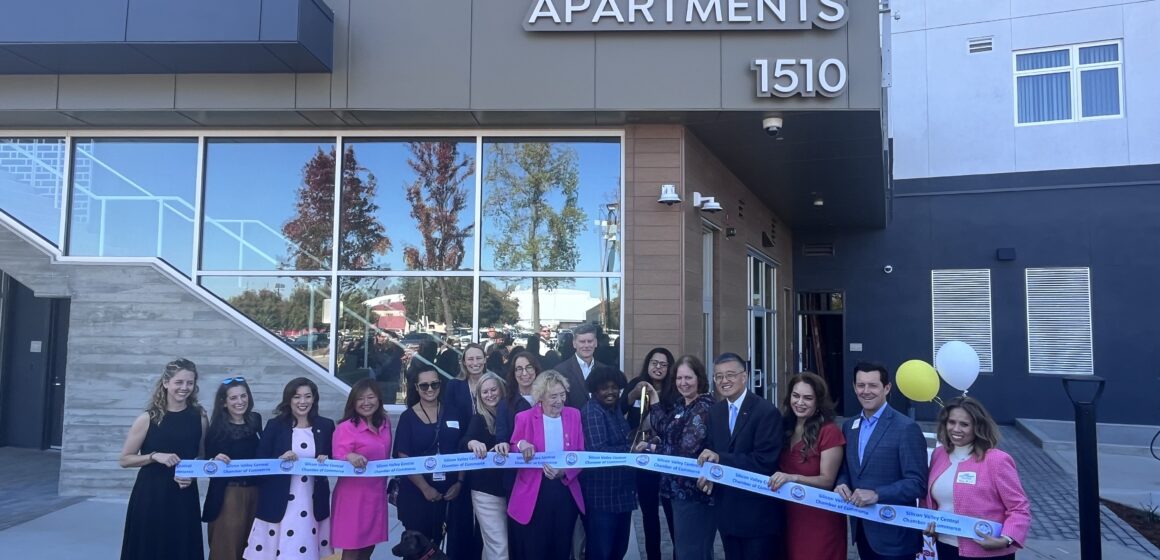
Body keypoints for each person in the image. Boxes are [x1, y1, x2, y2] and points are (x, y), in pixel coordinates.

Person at [833, 362, 928, 560]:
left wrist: (877, 494)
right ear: (854, 387)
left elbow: (917, 484)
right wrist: (842, 482)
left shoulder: (906, 428)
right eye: (861, 385)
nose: (866, 391)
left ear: (887, 388)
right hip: (863, 532)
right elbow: (848, 469)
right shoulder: (850, 426)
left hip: (895, 537)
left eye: (873, 385)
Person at [696, 353, 784, 560]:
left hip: (757, 516)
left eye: (730, 375)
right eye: (718, 377)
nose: (724, 381)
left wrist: (720, 459)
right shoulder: (715, 413)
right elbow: (711, 450)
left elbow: (764, 462)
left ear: (744, 377)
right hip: (727, 513)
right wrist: (708, 475)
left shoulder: (766, 412)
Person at [119, 358, 207, 560]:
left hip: (184, 495)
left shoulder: (200, 417)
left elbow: (202, 455)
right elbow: (124, 460)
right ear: (166, 383)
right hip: (151, 497)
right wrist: (154, 456)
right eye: (179, 382)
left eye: (189, 383)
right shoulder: (147, 418)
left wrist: (192, 475)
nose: (184, 388)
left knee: (181, 549)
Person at [923, 397, 1031, 560]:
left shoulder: (996, 460)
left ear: (977, 427)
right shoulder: (939, 454)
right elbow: (931, 499)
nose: (956, 429)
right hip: (945, 547)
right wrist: (927, 522)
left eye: (964, 424)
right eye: (951, 422)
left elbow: (1019, 507)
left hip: (987, 551)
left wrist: (1006, 539)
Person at [245, 377, 336, 560]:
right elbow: (260, 460)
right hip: (279, 502)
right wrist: (279, 460)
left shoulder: (326, 426)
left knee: (305, 550)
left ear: (314, 399)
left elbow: (334, 459)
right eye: (297, 397)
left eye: (307, 396)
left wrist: (327, 460)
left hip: (312, 502)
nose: (302, 402)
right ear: (289, 399)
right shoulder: (275, 425)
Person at [766, 372, 846, 560]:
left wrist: (792, 477)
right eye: (796, 396)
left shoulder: (829, 432)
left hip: (818, 519)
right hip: (786, 515)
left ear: (818, 401)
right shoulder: (783, 426)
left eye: (807, 398)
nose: (800, 402)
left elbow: (827, 480)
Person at [508, 370, 586, 560]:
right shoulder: (524, 417)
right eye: (553, 396)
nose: (559, 400)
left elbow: (580, 453)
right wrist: (521, 445)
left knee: (561, 546)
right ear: (541, 397)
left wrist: (565, 472)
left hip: (564, 489)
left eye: (562, 395)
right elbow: (513, 446)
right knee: (537, 548)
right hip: (536, 492)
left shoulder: (574, 415)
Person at [642, 355, 715, 560]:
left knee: (692, 552)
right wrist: (655, 402)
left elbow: (685, 450)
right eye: (679, 378)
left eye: (688, 378)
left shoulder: (703, 407)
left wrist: (650, 451)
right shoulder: (683, 405)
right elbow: (666, 429)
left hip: (693, 494)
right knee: (684, 550)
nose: (683, 383)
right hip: (676, 492)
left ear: (699, 378)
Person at [393, 366, 467, 549]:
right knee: (416, 550)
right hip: (417, 495)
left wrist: (459, 482)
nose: (430, 389)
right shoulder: (407, 418)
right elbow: (403, 456)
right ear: (416, 388)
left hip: (449, 493)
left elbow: (463, 450)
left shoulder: (454, 412)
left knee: (438, 548)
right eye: (424, 386)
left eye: (434, 384)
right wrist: (425, 488)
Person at [621, 347, 676, 560]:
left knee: (672, 514)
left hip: (667, 460)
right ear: (648, 364)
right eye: (654, 363)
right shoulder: (637, 383)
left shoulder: (675, 390)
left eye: (663, 364)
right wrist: (634, 394)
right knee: (649, 514)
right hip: (643, 461)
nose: (658, 368)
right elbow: (620, 409)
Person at [331, 379, 393, 560]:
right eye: (360, 399)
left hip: (376, 494)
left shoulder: (385, 423)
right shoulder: (346, 427)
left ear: (379, 399)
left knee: (368, 547)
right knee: (352, 548)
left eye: (371, 397)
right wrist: (350, 456)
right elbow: (337, 455)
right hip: (353, 497)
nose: (366, 403)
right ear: (353, 402)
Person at [202, 375, 263, 560]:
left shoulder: (255, 420)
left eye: (243, 396)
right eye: (233, 397)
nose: (240, 401)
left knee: (253, 548)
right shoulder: (215, 428)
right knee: (226, 550)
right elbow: (204, 460)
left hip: (256, 492)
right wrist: (213, 459)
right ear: (224, 402)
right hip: (228, 494)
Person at [581, 365, 637, 560]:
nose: (611, 392)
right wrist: (633, 451)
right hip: (603, 498)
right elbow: (599, 451)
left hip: (622, 494)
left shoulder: (615, 410)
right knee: (600, 553)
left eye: (614, 387)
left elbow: (625, 440)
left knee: (617, 551)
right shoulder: (593, 411)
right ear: (595, 390)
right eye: (604, 388)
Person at [462, 372, 512, 560]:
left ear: (501, 390)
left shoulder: (510, 414)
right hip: (486, 493)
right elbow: (464, 440)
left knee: (493, 544)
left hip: (510, 489)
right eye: (485, 392)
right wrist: (472, 443)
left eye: (493, 390)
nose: (490, 395)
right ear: (479, 396)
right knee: (499, 546)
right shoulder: (479, 419)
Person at [556, 323, 604, 410]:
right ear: (574, 344)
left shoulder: (604, 370)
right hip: (573, 422)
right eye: (582, 342)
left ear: (596, 343)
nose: (586, 345)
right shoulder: (561, 371)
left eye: (590, 341)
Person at [496, 351, 541, 443]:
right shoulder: (504, 405)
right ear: (514, 373)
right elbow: (502, 440)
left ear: (536, 370)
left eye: (529, 367)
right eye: (519, 369)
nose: (524, 373)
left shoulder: (547, 400)